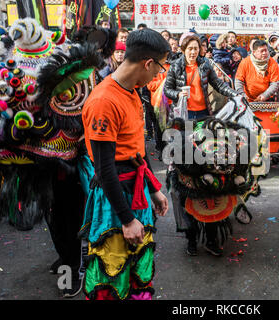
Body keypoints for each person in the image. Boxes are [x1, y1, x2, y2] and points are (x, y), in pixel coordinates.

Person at [80, 28, 169, 300]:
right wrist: (127, 219)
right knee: (112, 270)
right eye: (160, 67)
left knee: (138, 269)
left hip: (137, 191)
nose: (159, 75)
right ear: (148, 63)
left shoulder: (132, 92)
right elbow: (105, 169)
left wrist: (154, 188)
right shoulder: (104, 101)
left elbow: (137, 148)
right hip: (114, 200)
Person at [163, 34, 239, 256]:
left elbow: (219, 85)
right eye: (190, 48)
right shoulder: (175, 67)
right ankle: (191, 237)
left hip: (205, 123)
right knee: (185, 179)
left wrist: (236, 95)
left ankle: (212, 236)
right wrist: (179, 93)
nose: (193, 52)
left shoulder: (206, 65)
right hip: (183, 124)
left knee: (210, 175)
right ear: (184, 49)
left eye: (197, 48)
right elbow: (167, 90)